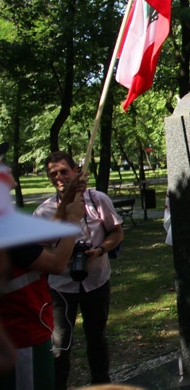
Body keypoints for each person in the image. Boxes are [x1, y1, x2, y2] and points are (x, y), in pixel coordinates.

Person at [34, 152, 124, 390]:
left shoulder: (98, 200)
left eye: (64, 171)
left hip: (97, 280)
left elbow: (116, 232)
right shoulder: (43, 212)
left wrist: (101, 249)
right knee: (60, 344)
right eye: (53, 173)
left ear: (75, 170)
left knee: (97, 338)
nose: (59, 177)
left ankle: (102, 384)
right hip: (61, 288)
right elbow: (40, 247)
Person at [0, 151, 84, 390]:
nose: (6, 168)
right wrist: (73, 222)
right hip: (22, 339)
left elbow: (44, 237)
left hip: (32, 332)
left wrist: (67, 198)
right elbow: (56, 264)